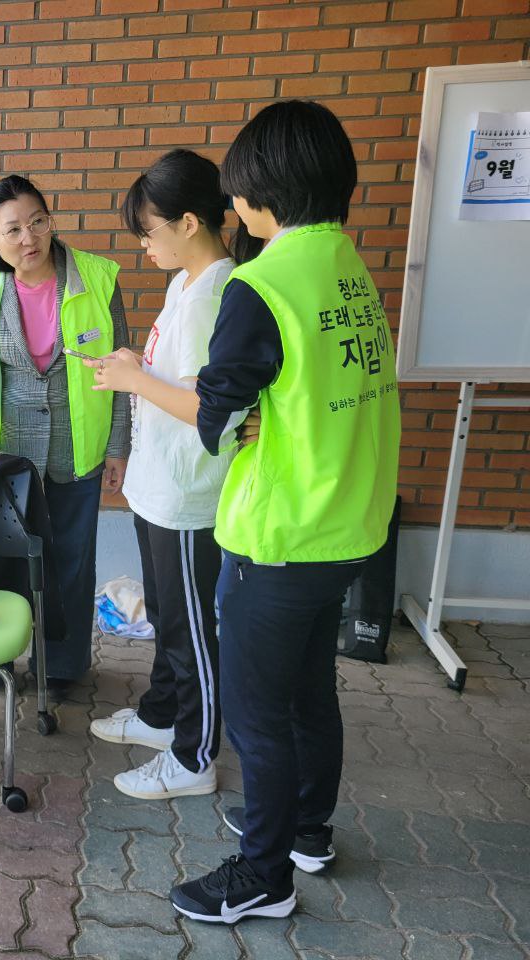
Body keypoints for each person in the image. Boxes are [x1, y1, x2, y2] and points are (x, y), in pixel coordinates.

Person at [110, 101, 400, 924]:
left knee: (262, 715)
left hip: (281, 533)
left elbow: (216, 419)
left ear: (263, 196)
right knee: (311, 690)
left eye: (239, 198)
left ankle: (263, 874)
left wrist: (157, 383)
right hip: (351, 522)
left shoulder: (261, 283)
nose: (237, 212)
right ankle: (307, 830)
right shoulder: (349, 266)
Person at [0, 174, 131, 700]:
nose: (29, 238)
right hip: (7, 452)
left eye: (37, 221)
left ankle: (60, 665)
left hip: (76, 445)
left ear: (51, 221)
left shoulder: (97, 279)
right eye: (13, 229)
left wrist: (117, 449)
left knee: (70, 560)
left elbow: (122, 370)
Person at [87, 150, 242, 802]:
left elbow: (214, 408)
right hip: (160, 485)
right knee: (168, 624)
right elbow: (172, 379)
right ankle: (160, 717)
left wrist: (133, 379)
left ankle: (194, 756)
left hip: (188, 495)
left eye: (149, 231)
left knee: (189, 633)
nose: (145, 245)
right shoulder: (186, 284)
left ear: (187, 221)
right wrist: (133, 367)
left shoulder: (218, 295)